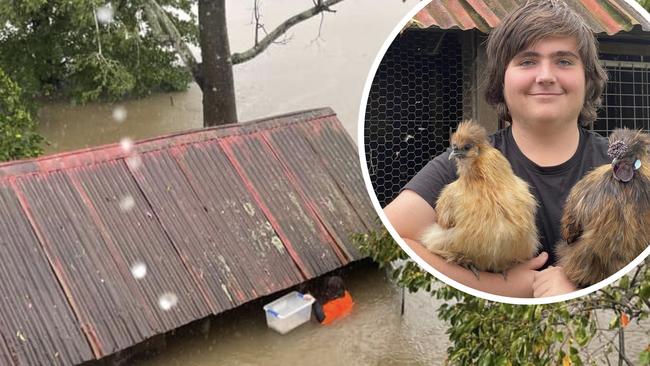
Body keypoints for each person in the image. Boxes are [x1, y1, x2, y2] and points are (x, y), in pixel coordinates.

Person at [383, 0, 610, 298]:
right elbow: (386, 237)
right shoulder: (458, 168)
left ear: (588, 77)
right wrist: (498, 287)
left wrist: (583, 286)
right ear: (501, 80)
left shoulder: (625, 165)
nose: (545, 76)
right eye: (527, 61)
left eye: (564, 61)